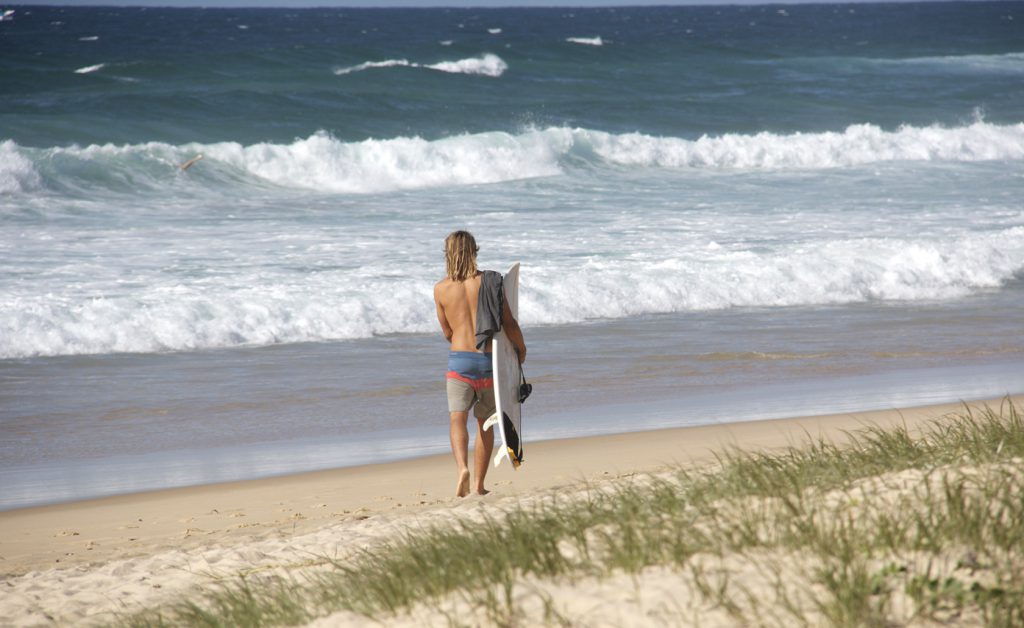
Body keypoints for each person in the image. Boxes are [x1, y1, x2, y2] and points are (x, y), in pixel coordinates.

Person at [433, 230, 526, 497]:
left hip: (459, 363)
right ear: (474, 250)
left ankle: (462, 467)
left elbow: (447, 332)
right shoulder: (490, 281)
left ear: (447, 254)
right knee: (484, 422)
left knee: (456, 419)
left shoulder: (440, 288)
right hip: (488, 362)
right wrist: (520, 350)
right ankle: (478, 486)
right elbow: (508, 324)